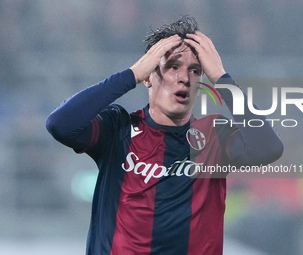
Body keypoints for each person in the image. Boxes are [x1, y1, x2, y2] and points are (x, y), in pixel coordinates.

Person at [46, 16, 283, 255]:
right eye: (173, 66)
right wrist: (132, 74)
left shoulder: (213, 136)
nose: (185, 78)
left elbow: (269, 147)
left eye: (195, 70)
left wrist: (221, 78)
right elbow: (61, 124)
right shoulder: (118, 128)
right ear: (149, 76)